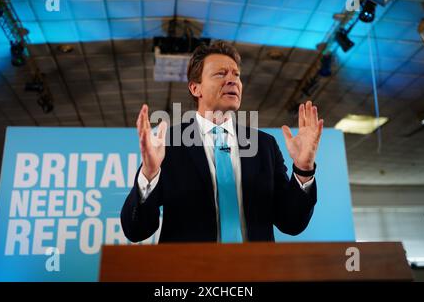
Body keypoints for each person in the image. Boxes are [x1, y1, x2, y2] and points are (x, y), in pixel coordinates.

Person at [121, 41, 323, 243]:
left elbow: (291, 223)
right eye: (220, 74)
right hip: (189, 271)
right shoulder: (169, 144)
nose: (232, 80)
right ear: (195, 88)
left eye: (236, 75)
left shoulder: (264, 145)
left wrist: (303, 170)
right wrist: (148, 173)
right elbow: (136, 231)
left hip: (256, 271)